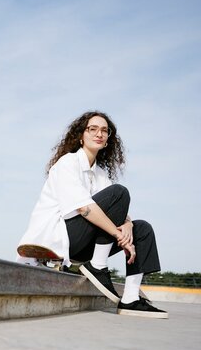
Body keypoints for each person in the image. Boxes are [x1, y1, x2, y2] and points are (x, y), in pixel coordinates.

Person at [17, 111, 167, 319]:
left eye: (104, 131)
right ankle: (98, 266)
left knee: (143, 229)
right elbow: (84, 208)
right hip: (58, 239)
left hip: (81, 243)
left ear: (107, 140)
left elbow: (117, 209)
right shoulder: (67, 163)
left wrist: (129, 226)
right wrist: (117, 234)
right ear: (81, 136)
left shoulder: (100, 174)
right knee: (119, 192)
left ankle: (131, 299)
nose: (99, 134)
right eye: (93, 129)